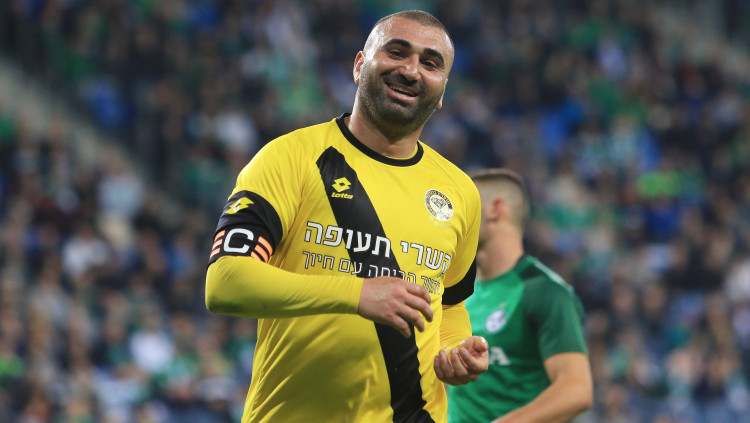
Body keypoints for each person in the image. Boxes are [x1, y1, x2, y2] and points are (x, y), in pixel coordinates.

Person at [204, 10, 489, 423]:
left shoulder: (460, 192)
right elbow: (225, 281)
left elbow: (450, 304)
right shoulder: (290, 158)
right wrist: (356, 294)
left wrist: (454, 349)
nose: (411, 70)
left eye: (430, 63)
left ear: (442, 90)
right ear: (359, 66)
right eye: (397, 52)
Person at [447, 168, 592, 423]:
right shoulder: (456, 290)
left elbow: (576, 390)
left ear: (495, 209)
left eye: (464, 206)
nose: (453, 218)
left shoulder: (544, 292)